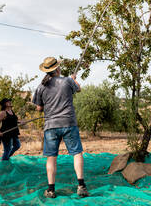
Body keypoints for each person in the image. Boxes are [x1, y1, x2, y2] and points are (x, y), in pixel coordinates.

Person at [32, 57, 89, 199]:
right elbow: (79, 89)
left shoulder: (41, 86)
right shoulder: (67, 81)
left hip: (51, 125)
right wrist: (73, 79)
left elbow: (39, 108)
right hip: (69, 123)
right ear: (57, 69)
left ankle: (51, 190)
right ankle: (81, 186)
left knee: (51, 158)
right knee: (77, 153)